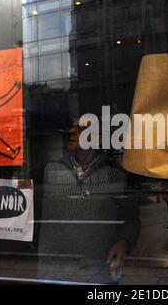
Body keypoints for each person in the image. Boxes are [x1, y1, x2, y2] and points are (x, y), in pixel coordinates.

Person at [38, 119, 140, 284]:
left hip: (97, 270)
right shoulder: (51, 170)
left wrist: (124, 242)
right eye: (72, 126)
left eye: (80, 128)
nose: (71, 131)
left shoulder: (115, 175)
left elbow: (131, 219)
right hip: (53, 270)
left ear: (98, 138)